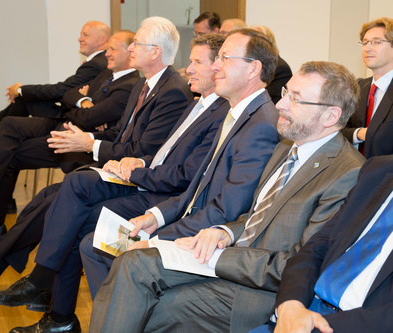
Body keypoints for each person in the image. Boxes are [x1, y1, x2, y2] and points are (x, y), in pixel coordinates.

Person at [0, 32, 230, 333]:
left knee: (70, 200)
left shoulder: (186, 97)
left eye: (195, 62)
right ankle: (29, 289)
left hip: (155, 194)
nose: (187, 68)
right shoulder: (189, 100)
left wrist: (117, 158)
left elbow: (177, 171)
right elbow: (149, 148)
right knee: (55, 196)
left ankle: (34, 284)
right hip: (137, 173)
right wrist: (105, 147)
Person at [88, 60, 366, 333]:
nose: (280, 104)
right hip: (233, 258)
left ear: (331, 116)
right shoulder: (286, 148)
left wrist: (219, 258)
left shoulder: (347, 174)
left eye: (296, 99)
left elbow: (298, 264)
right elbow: (258, 216)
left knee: (154, 306)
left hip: (264, 293)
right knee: (133, 262)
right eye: (285, 94)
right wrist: (224, 233)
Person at [0, 18, 193, 242]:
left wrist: (86, 136)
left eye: (130, 45)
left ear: (155, 51)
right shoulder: (132, 82)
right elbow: (73, 96)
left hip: (102, 155)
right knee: (10, 143)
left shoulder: (141, 85)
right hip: (85, 138)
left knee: (27, 166)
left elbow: (93, 118)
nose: (115, 52)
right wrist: (83, 113)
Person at [80, 28, 281, 298]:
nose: (216, 66)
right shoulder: (236, 113)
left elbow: (227, 211)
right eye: (217, 58)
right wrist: (156, 217)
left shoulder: (260, 125)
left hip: (208, 244)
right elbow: (198, 185)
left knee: (110, 251)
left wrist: (158, 240)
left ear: (253, 69)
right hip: (189, 221)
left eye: (225, 58)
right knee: (93, 244)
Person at [257, 154, 393, 333]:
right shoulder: (379, 169)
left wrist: (311, 325)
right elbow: (316, 247)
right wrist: (291, 303)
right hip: (305, 307)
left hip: (350, 324)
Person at [0, 21, 111, 141]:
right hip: (73, 111)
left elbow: (63, 90)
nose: (79, 39)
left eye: (85, 35)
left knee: (25, 97)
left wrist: (21, 90)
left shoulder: (97, 63)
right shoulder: (99, 61)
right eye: (80, 34)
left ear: (102, 40)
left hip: (72, 118)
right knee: (26, 97)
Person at [343, 17, 393, 158]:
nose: (368, 48)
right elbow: (338, 129)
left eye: (376, 42)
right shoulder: (359, 87)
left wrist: (370, 134)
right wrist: (358, 134)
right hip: (354, 170)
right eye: (365, 43)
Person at [250, 24, 292, 104]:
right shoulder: (249, 64)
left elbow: (270, 103)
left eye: (257, 41)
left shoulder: (281, 69)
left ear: (269, 43)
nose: (253, 45)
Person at [178, 12, 221, 81]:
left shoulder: (221, 52)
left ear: (215, 31)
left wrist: (189, 79)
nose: (198, 37)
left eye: (201, 34)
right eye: (196, 33)